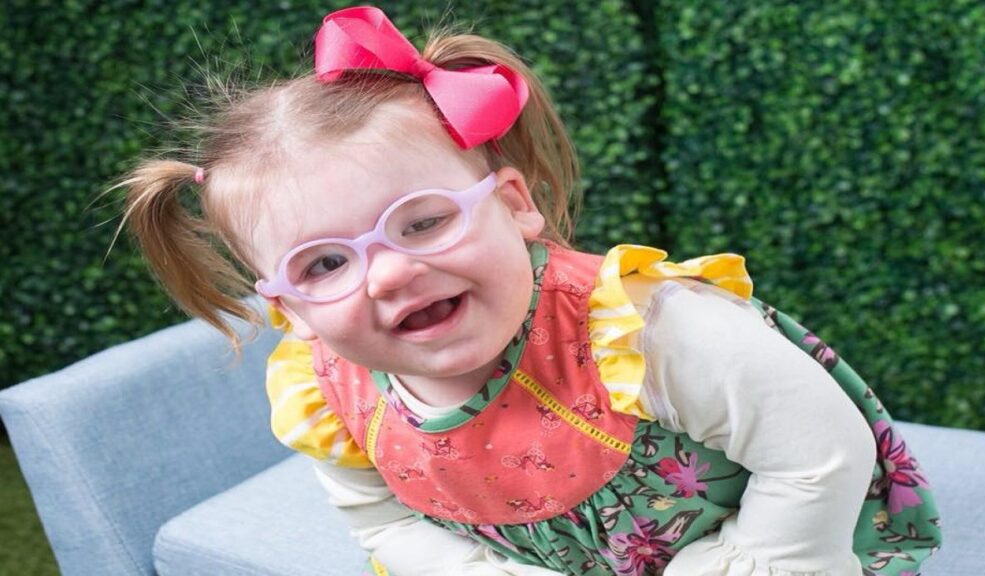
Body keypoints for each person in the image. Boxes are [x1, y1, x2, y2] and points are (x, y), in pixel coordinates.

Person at [117, 6, 941, 576]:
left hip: (753, 541)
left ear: (515, 205)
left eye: (421, 222)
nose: (391, 271)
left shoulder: (644, 331)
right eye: (324, 265)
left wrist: (746, 562)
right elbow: (386, 522)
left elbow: (818, 451)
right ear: (289, 310)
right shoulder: (331, 394)